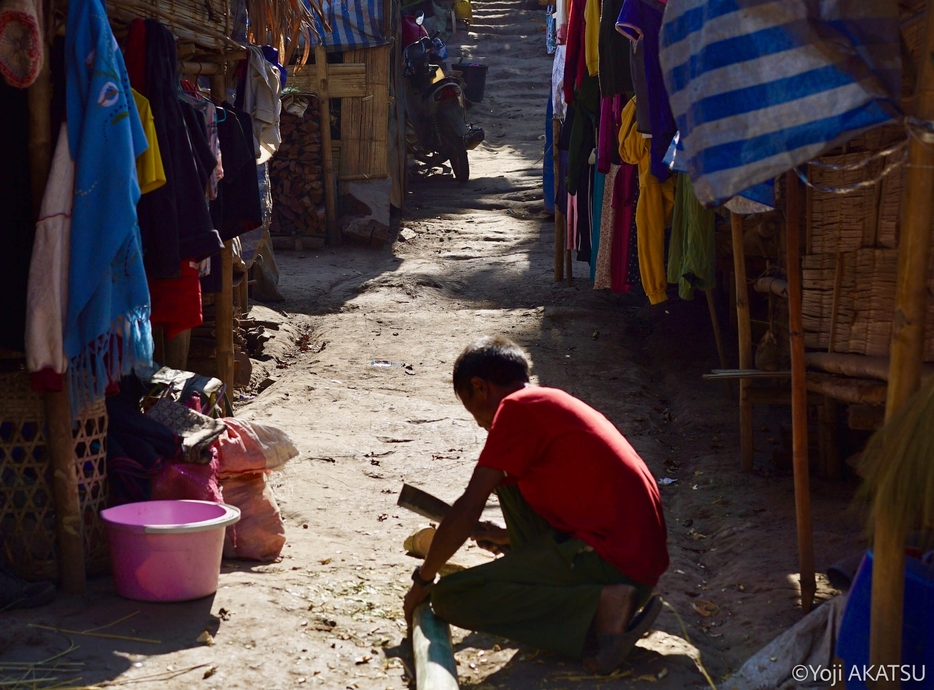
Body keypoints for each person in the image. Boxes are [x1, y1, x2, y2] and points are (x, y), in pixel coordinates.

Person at [403, 335, 669, 674]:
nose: (480, 423)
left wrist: (423, 581)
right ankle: (594, 606)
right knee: (507, 481)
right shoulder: (548, 401)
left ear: (479, 386)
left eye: (472, 409)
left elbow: (469, 505)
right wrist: (507, 537)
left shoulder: (516, 408)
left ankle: (603, 602)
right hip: (633, 563)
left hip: (614, 562)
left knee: (450, 597)